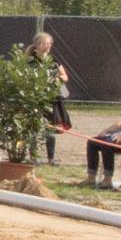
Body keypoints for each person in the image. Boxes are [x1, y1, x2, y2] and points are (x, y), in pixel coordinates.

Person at [27, 33, 71, 165]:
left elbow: (65, 77)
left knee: (50, 129)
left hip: (52, 99)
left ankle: (51, 158)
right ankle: (33, 158)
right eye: (44, 43)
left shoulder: (54, 61)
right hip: (35, 99)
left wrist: (56, 79)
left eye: (49, 43)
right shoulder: (30, 61)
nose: (47, 46)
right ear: (37, 45)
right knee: (34, 129)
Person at [83, 106, 121, 190]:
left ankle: (107, 180)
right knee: (92, 142)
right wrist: (106, 131)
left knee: (107, 144)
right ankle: (91, 178)